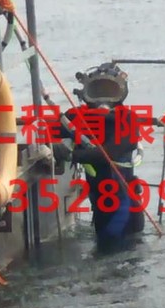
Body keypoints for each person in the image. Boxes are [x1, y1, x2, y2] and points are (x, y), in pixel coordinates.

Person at [56, 61, 145, 248]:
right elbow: (51, 132)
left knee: (120, 251)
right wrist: (55, 146)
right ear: (86, 93)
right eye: (97, 91)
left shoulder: (128, 120)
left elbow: (108, 153)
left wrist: (72, 155)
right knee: (103, 249)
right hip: (100, 208)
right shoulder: (77, 117)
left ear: (122, 94)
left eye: (111, 92)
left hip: (125, 213)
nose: (103, 100)